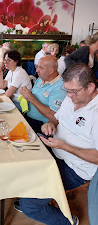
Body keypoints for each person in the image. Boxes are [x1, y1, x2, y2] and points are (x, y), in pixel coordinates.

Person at [18, 63, 98, 225]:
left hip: (75, 168)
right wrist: (51, 123)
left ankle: (68, 221)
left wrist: (64, 146)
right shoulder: (73, 98)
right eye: (67, 91)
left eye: (73, 92)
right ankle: (37, 192)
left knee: (29, 206)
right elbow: (57, 117)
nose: (68, 96)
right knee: (18, 154)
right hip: (54, 149)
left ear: (90, 87)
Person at [20, 55, 66, 133]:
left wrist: (31, 98)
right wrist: (27, 94)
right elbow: (37, 96)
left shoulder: (60, 88)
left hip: (41, 126)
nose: (37, 70)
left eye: (40, 68)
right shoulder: (41, 78)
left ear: (51, 70)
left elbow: (54, 116)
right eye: (37, 67)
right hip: (28, 118)